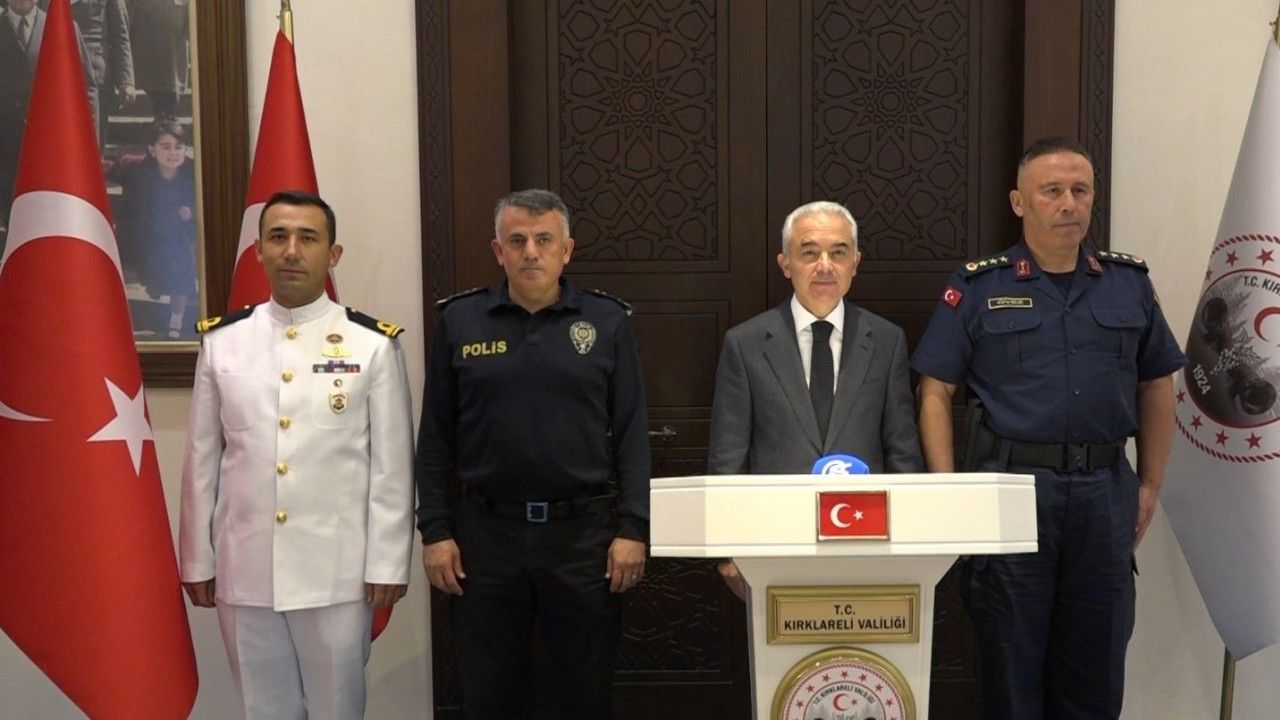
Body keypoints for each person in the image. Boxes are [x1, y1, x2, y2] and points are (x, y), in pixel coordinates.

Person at [911, 136, 1186, 719]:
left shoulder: (1128, 283)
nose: (1068, 203)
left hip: (1104, 493)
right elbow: (935, 391)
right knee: (1011, 667)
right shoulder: (981, 286)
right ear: (1019, 202)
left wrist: (1150, 484)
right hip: (1011, 492)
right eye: (1052, 190)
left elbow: (1157, 384)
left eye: (1080, 190)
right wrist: (948, 492)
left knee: (1097, 666)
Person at [179, 190, 415, 720]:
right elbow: (202, 461)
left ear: (333, 254)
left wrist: (387, 562)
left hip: (337, 574)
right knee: (263, 710)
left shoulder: (371, 345)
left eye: (308, 238)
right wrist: (197, 556)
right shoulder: (223, 343)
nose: (291, 250)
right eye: (278, 237)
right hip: (246, 570)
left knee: (338, 709)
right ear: (258, 251)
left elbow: (392, 469)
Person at [416, 188, 650, 719]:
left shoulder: (606, 321)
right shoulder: (461, 322)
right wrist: (434, 531)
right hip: (485, 538)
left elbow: (633, 433)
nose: (531, 252)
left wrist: (634, 529)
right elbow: (435, 438)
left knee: (586, 693)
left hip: (583, 538)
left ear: (567, 249)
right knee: (488, 694)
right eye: (517, 240)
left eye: (544, 240)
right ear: (497, 250)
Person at [707, 200, 923, 598]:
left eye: (838, 253)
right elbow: (728, 456)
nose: (825, 266)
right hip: (771, 542)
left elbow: (902, 450)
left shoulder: (886, 340)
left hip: (867, 543)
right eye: (809, 253)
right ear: (786, 264)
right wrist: (727, 549)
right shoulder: (746, 344)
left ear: (855, 262)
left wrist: (909, 543)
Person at [110, 119, 195, 338]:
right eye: (165, 147)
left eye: (178, 147)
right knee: (151, 275)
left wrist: (191, 211)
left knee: (182, 261)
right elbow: (129, 209)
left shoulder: (192, 172)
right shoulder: (138, 173)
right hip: (146, 233)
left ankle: (177, 317)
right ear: (152, 150)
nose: (173, 153)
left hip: (181, 233)